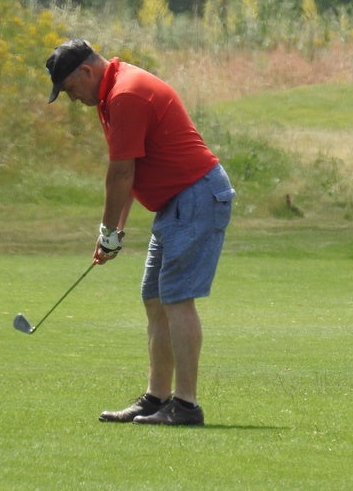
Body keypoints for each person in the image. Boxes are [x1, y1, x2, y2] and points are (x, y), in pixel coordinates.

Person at [44, 39, 235, 427]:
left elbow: (120, 173)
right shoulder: (110, 95)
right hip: (176, 203)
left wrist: (109, 233)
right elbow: (130, 172)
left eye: (69, 88)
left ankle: (186, 405)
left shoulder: (126, 94)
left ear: (86, 72)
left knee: (177, 300)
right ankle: (156, 398)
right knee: (154, 299)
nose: (71, 97)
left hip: (196, 197)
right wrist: (113, 234)